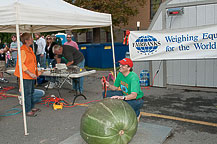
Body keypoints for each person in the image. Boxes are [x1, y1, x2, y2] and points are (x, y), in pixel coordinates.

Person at [14, 33, 40, 117]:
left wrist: (36, 72)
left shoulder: (29, 49)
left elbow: (31, 62)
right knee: (27, 93)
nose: (32, 39)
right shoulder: (23, 50)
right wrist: (30, 73)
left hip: (31, 75)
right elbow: (21, 64)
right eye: (31, 38)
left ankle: (31, 107)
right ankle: (27, 110)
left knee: (31, 92)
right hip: (26, 76)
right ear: (26, 40)